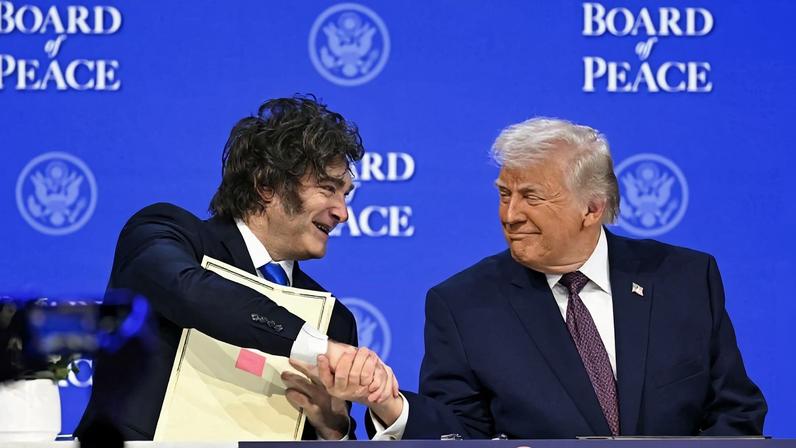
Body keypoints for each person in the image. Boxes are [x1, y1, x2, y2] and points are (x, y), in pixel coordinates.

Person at [313, 117, 767, 438]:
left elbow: (736, 414)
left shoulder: (684, 278)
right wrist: (390, 406)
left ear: (592, 208)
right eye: (505, 194)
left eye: (531, 197)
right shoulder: (464, 305)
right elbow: (458, 434)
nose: (510, 215)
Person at [75, 95, 381, 440]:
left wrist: (332, 427)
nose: (342, 213)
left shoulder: (333, 320)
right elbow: (190, 291)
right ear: (267, 186)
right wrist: (316, 346)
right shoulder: (167, 234)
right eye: (327, 189)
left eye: (345, 195)